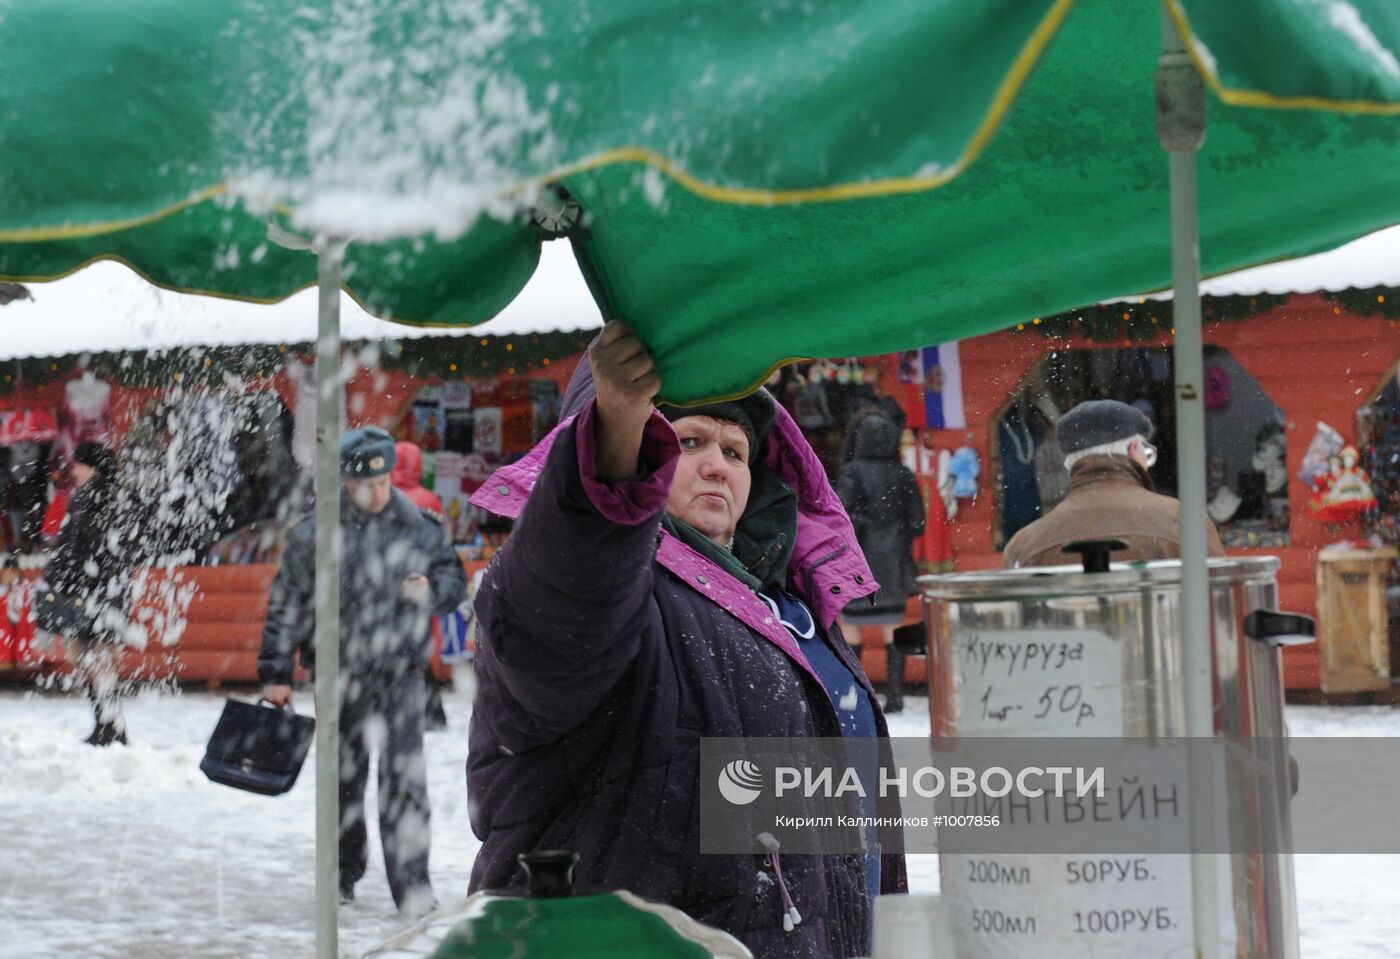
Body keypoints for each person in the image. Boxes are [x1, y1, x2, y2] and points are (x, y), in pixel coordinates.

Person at [466, 324, 907, 959]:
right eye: (689, 440)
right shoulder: (606, 585)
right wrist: (616, 429)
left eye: (735, 451)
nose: (716, 466)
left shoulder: (792, 606)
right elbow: (576, 565)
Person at [257, 427, 467, 917]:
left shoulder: (420, 525)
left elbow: (454, 580)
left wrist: (431, 590)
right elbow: (286, 604)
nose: (377, 493)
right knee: (342, 783)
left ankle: (413, 885)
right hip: (337, 675)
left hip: (401, 676)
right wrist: (275, 671)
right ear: (345, 484)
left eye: (384, 481)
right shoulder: (315, 533)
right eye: (365, 484)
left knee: (405, 785)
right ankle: (341, 876)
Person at [1002, 399, 1225, 568]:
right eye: (1146, 452)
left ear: (1071, 464)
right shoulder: (1185, 523)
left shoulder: (1026, 544)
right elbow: (1216, 606)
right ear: (1133, 451)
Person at [38, 442, 130, 746]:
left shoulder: (94, 499)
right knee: (94, 663)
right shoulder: (97, 497)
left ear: (94, 467)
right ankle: (106, 725)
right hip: (100, 593)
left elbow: (80, 549)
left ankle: (110, 727)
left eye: (79, 464)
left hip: (96, 594)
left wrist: (55, 575)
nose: (74, 470)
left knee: (98, 663)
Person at [834, 405, 925, 714]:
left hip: (858, 564)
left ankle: (857, 693)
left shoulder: (851, 472)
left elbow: (842, 515)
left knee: (852, 630)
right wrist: (895, 532)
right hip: (895, 562)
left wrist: (865, 525)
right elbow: (918, 522)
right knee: (890, 628)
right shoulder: (903, 473)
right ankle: (895, 695)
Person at [390, 440, 451, 730]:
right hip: (421, 584)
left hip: (390, 584)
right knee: (421, 649)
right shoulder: (430, 500)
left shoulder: (385, 496)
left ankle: (406, 710)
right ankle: (432, 712)